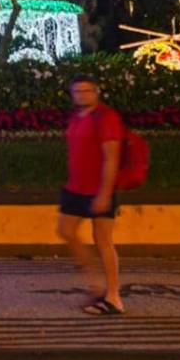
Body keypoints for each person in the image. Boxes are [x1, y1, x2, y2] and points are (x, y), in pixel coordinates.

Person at [58, 75, 126, 316]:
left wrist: (105, 194)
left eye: (86, 91)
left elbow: (112, 158)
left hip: (99, 189)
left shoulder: (106, 117)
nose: (82, 95)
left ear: (96, 92)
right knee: (66, 231)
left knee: (103, 241)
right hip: (75, 188)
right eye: (77, 92)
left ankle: (114, 296)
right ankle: (96, 284)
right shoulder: (77, 117)